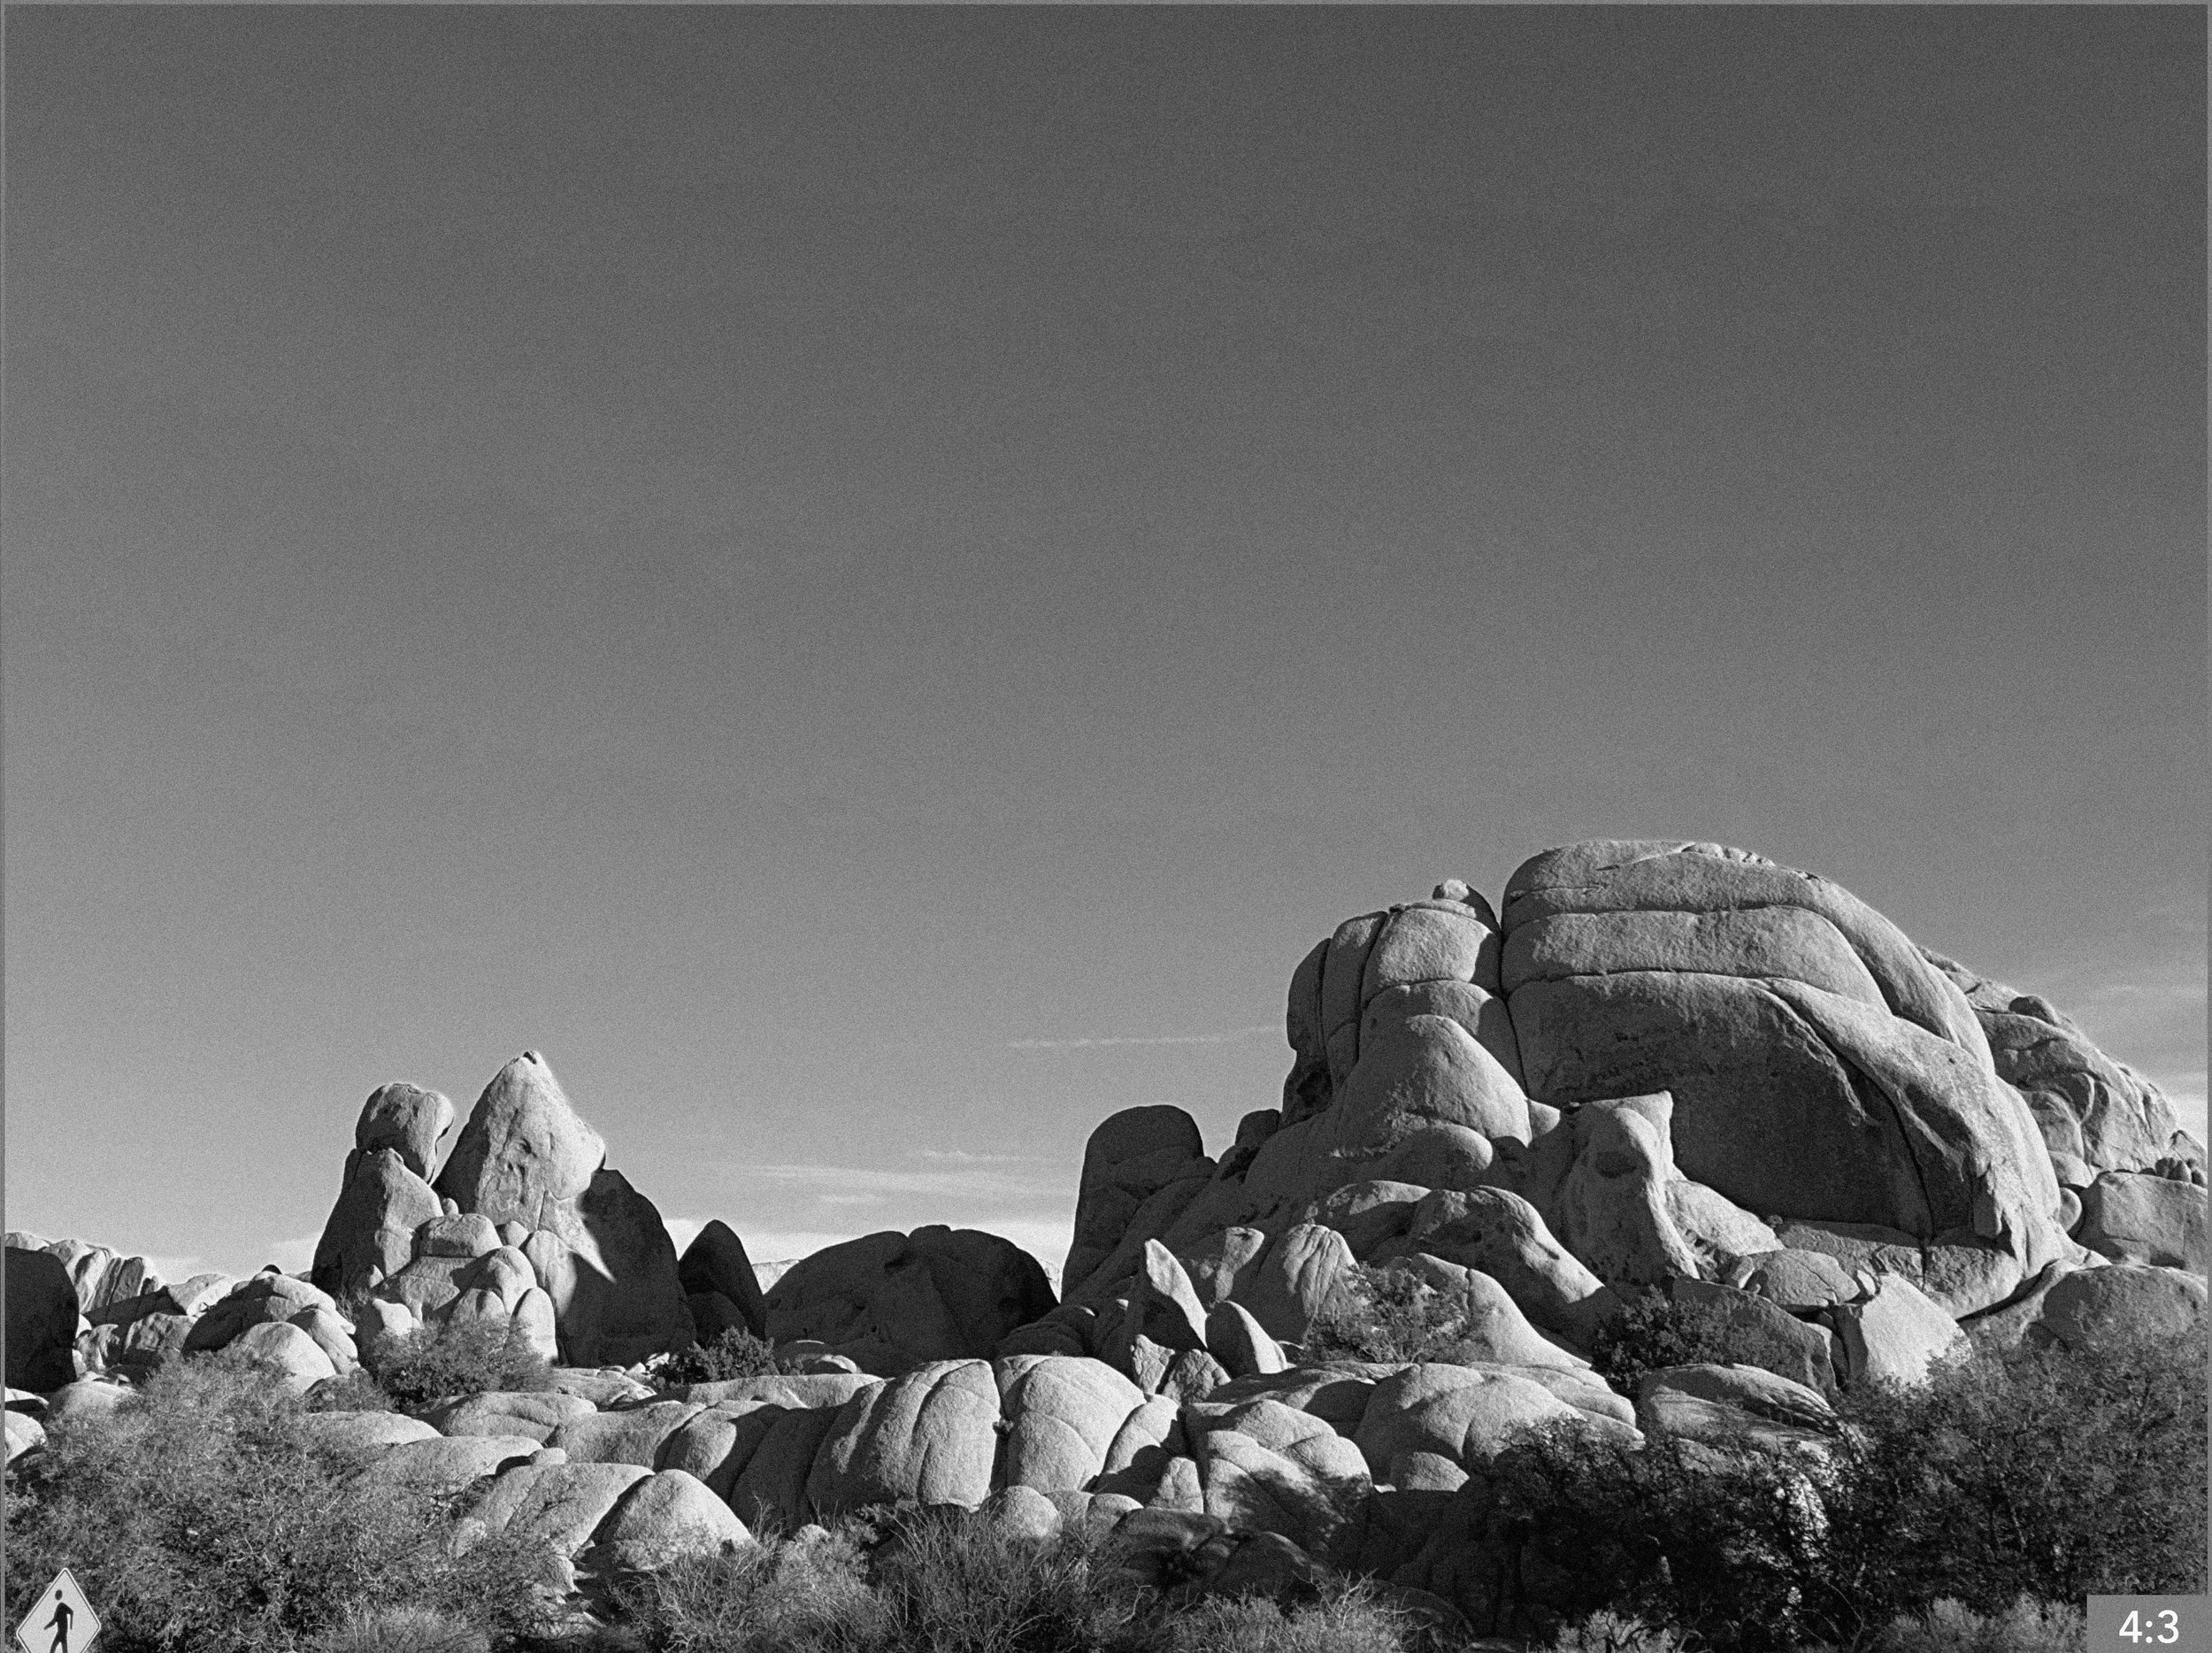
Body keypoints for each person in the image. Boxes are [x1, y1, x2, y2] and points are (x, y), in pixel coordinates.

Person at [43, 1588, 73, 1653]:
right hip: (62, 1632)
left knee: (53, 1648)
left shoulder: (61, 1605)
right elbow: (54, 1621)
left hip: (61, 1633)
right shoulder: (59, 1607)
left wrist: (71, 1625)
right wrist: (46, 1627)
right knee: (59, 1649)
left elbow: (71, 1612)